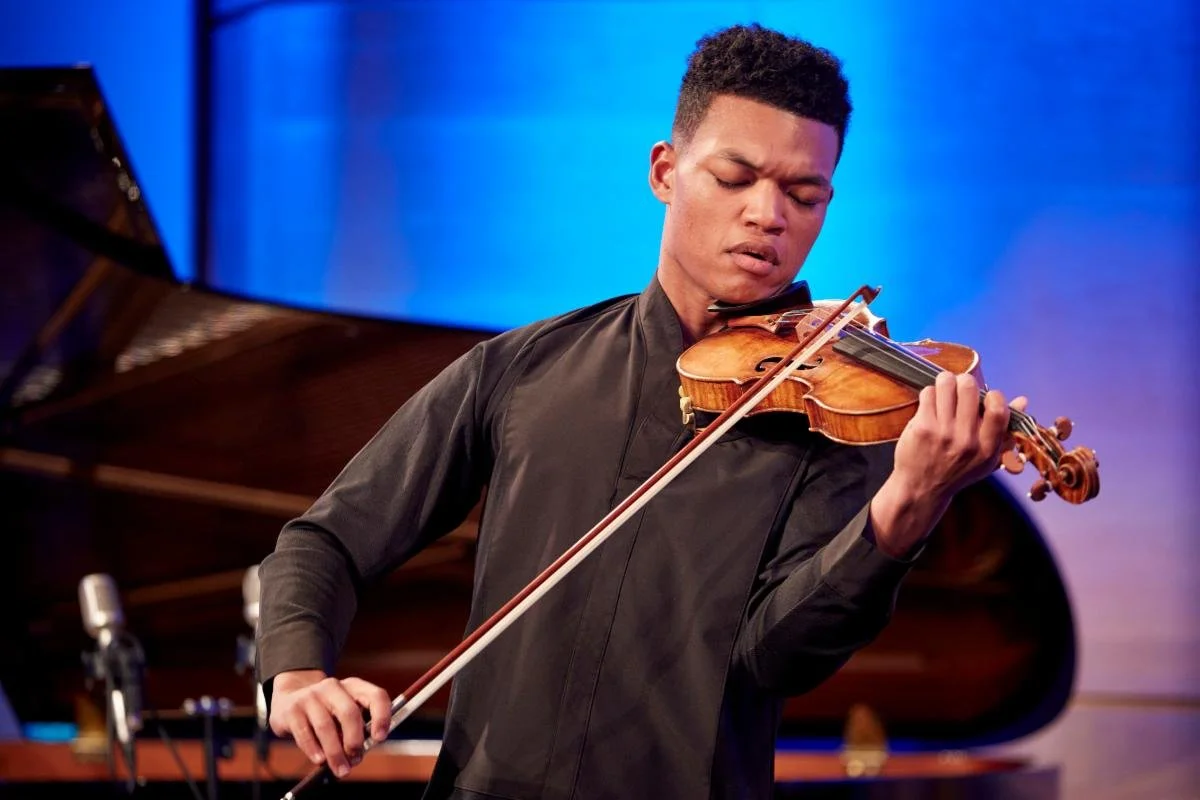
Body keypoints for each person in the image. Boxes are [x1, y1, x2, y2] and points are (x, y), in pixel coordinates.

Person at [257, 23, 1020, 800]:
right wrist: (295, 674)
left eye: (803, 194)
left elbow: (778, 658)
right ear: (666, 170)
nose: (768, 215)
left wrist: (905, 508)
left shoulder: (829, 412)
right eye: (735, 177)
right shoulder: (523, 369)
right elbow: (328, 540)